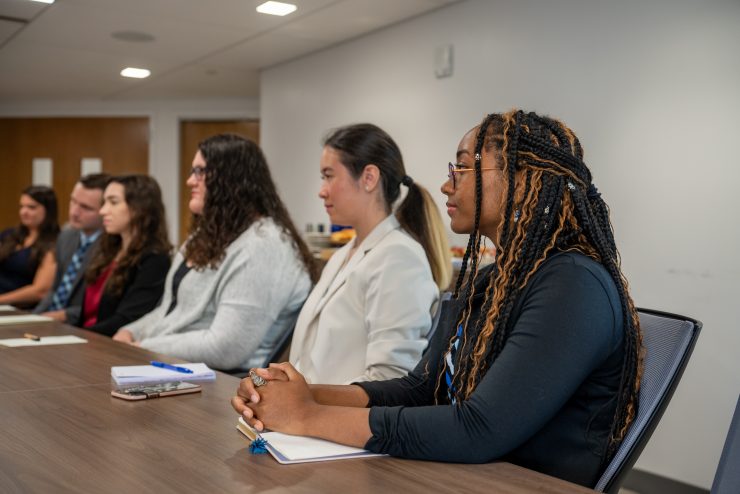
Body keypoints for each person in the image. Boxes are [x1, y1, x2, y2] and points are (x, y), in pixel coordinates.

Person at [232, 110, 644, 488]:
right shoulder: (491, 281)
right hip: (466, 475)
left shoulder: (573, 284)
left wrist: (309, 416)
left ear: (521, 178)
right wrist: (300, 394)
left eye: (463, 167)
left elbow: (479, 428)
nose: (448, 183)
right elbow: (422, 388)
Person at [112, 134, 315, 372]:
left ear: (232, 180)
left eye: (200, 171)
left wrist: (143, 346)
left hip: (221, 382)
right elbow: (170, 312)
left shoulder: (265, 245)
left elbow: (226, 349)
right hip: (172, 364)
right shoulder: (205, 237)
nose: (190, 181)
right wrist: (129, 332)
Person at [287, 123, 451, 385]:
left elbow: (390, 378)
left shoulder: (399, 257)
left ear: (369, 178)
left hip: (341, 421)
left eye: (329, 176)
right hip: (308, 416)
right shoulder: (343, 255)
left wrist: (307, 404)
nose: (322, 190)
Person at [78, 175, 171, 336]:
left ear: (139, 208)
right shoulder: (109, 249)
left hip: (110, 347)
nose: (103, 211)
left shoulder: (155, 259)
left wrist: (76, 336)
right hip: (88, 340)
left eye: (113, 202)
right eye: (104, 203)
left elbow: (127, 319)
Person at [34, 174, 110, 322]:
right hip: (50, 320)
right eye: (73, 201)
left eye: (86, 208)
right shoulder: (67, 235)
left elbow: (102, 306)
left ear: (104, 210)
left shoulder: (112, 246)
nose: (74, 212)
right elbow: (55, 290)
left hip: (82, 327)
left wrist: (58, 317)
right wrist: (33, 317)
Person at [0, 186, 59, 307]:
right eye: (22, 206)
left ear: (48, 210)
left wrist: (1, 300)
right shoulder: (9, 235)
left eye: (31, 207)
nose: (23, 212)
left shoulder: (55, 243)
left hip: (19, 308)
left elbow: (39, 291)